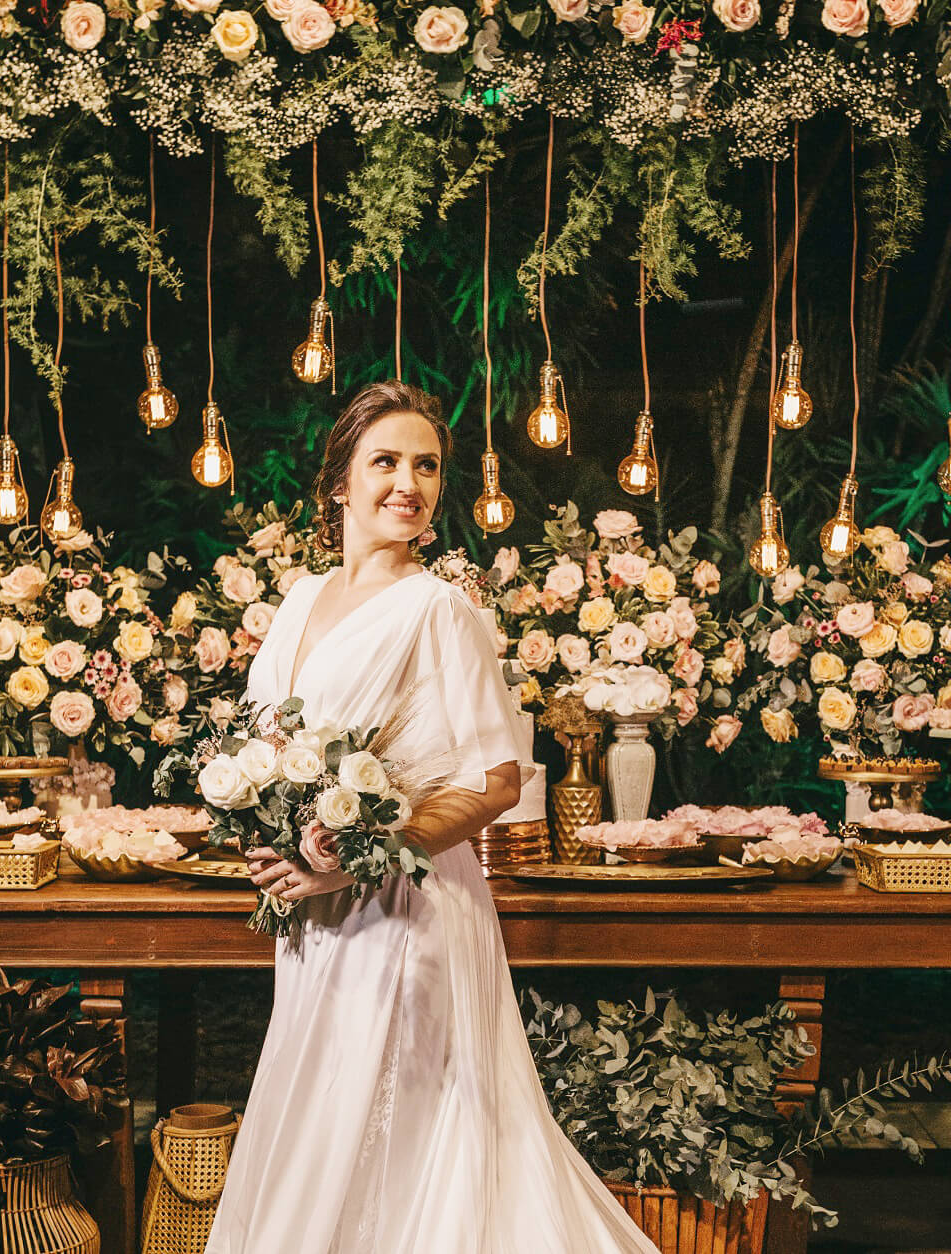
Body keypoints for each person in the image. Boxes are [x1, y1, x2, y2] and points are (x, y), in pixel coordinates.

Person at [205, 381, 657, 1254]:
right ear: (339, 481)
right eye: (385, 461)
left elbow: (492, 781)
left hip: (403, 914)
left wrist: (361, 856)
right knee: (320, 1117)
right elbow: (260, 746)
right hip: (312, 913)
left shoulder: (440, 607)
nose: (407, 482)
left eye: (426, 466)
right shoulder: (299, 601)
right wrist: (268, 831)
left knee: (404, 1127)